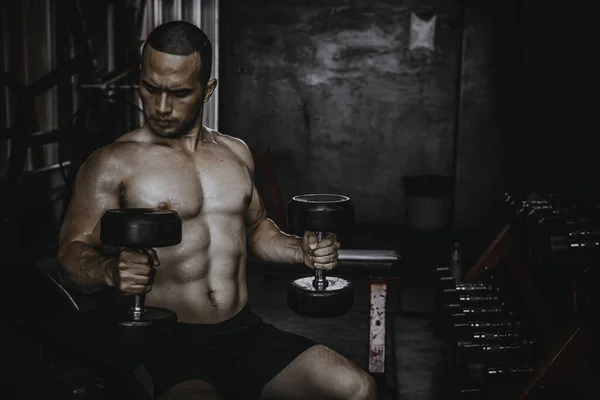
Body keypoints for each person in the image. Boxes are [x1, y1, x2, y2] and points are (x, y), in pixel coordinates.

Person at [58, 21, 376, 400]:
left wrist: (301, 250)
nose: (160, 107)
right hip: (168, 344)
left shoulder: (234, 152)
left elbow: (256, 229)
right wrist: (110, 271)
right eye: (150, 88)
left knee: (358, 389)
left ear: (207, 90)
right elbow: (70, 254)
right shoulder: (112, 162)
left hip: (243, 333)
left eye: (178, 93)